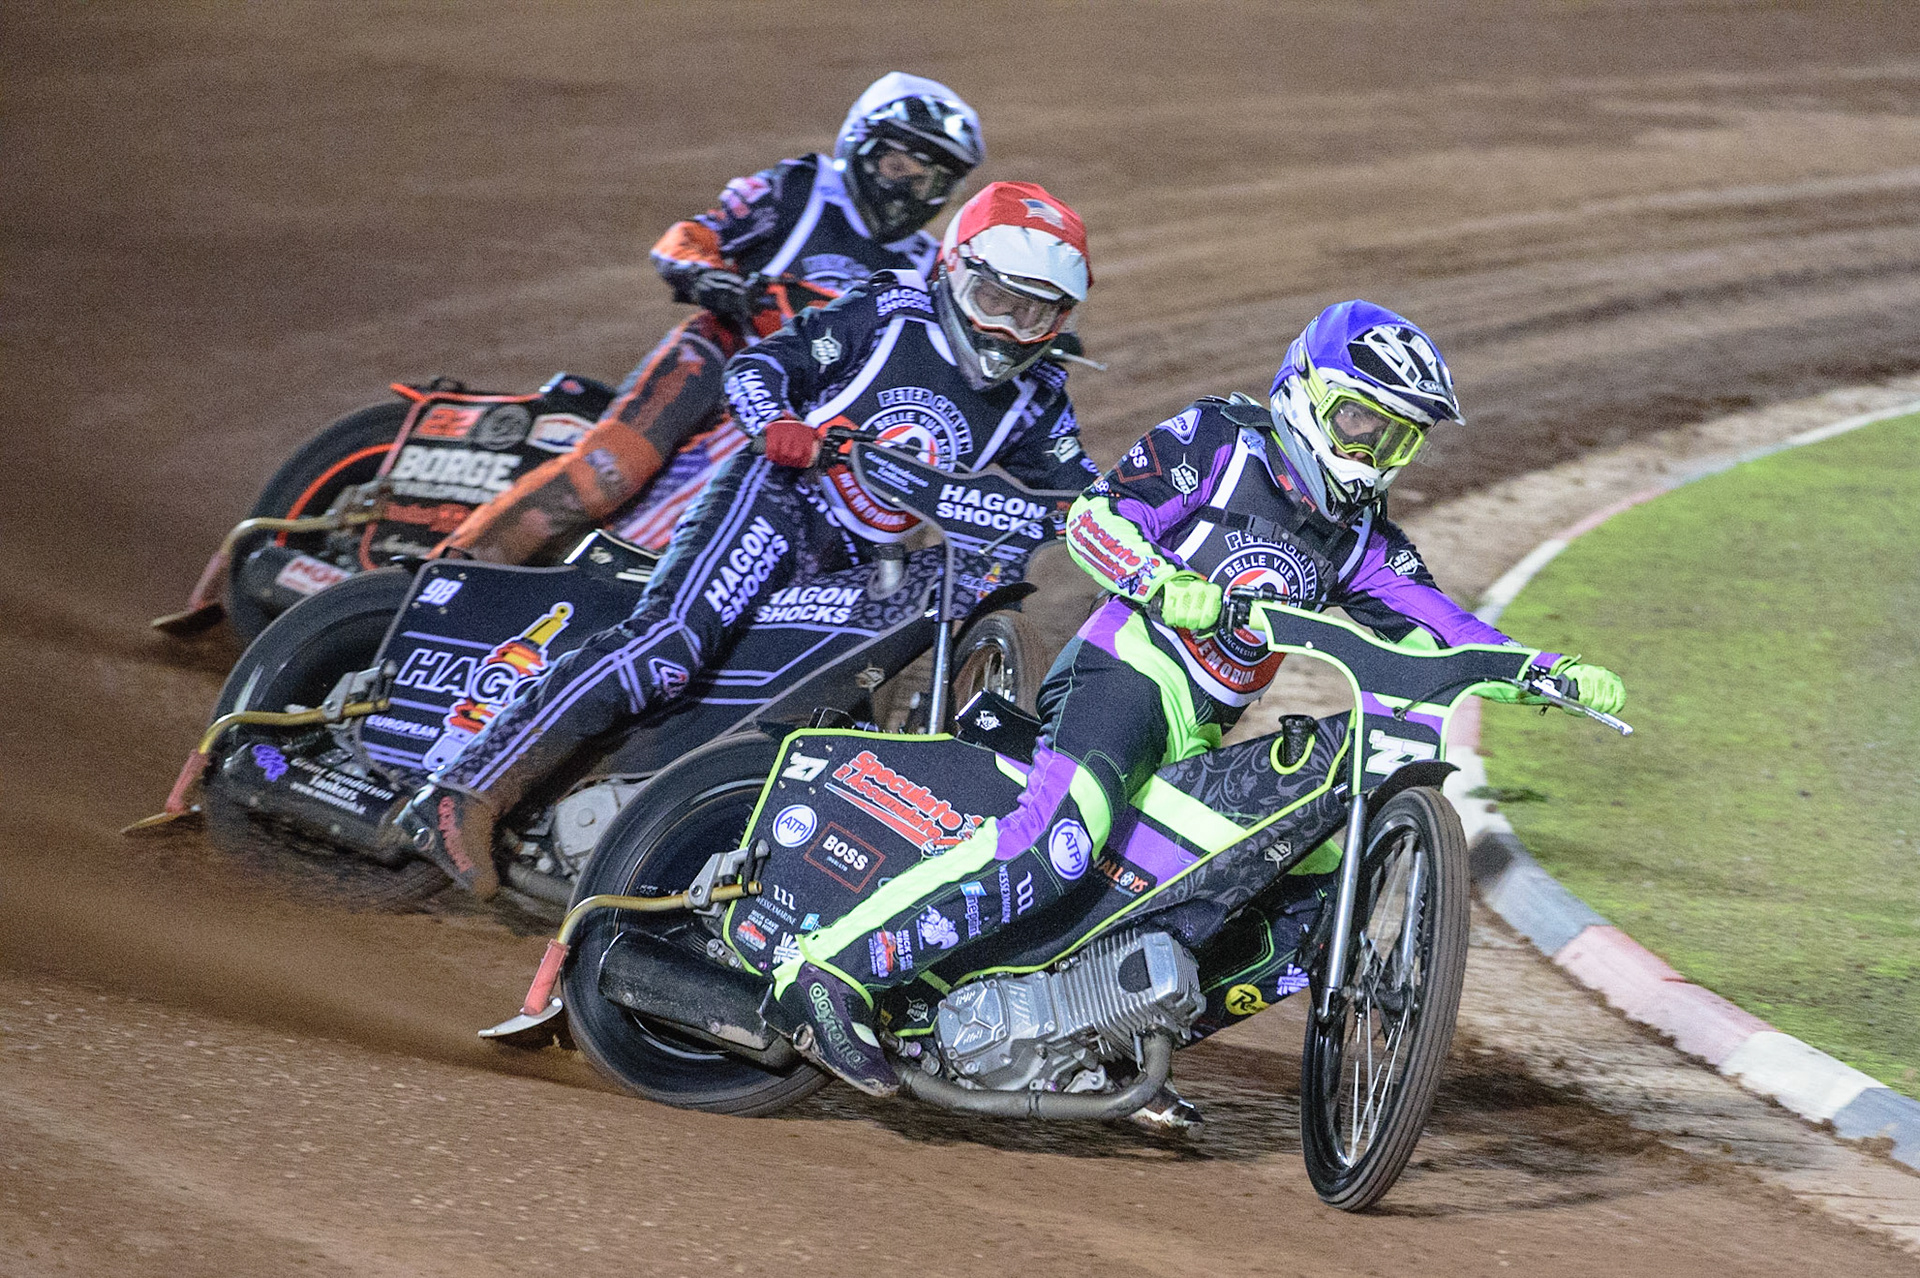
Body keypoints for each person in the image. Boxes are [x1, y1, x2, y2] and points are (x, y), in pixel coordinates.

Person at [769, 299, 1628, 1100]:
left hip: (1199, 727)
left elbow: (1441, 624)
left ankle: (1094, 1041)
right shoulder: (1218, 439)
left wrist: (1542, 670)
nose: (1371, 451)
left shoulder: (1360, 538)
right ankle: (831, 968)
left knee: (1198, 895)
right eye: (1361, 421)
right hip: (1126, 670)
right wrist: (1159, 578)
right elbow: (1095, 519)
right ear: (1305, 393)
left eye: (1397, 438)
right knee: (1064, 840)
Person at [393, 181, 1101, 904]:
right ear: (955, 271)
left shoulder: (1038, 394)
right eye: (998, 302)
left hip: (863, 558)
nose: (1010, 331)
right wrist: (776, 424)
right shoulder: (886, 311)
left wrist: (1129, 520)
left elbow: (1080, 490)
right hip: (776, 500)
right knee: (670, 643)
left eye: (1036, 312)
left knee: (833, 710)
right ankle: (463, 790)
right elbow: (760, 366)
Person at [436, 72, 985, 564]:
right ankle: (443, 571)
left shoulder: (925, 264)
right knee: (605, 475)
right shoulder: (799, 189)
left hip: (804, 408)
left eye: (934, 180)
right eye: (899, 167)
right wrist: (707, 275)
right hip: (723, 352)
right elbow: (693, 237)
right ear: (861, 147)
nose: (913, 192)